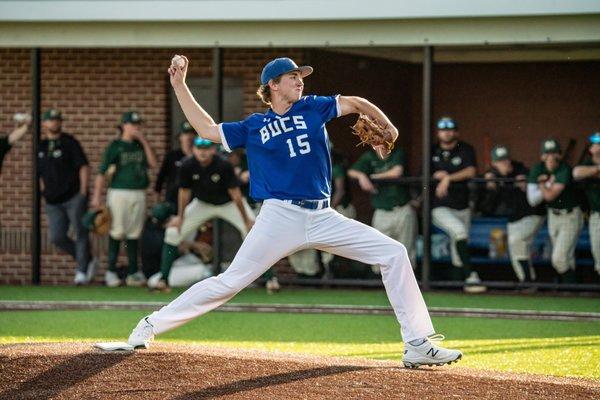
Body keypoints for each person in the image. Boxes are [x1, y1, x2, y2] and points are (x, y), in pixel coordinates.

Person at [127, 56, 462, 369]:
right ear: (273, 85)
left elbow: (356, 104)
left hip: (323, 216)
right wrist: (180, 86)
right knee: (229, 282)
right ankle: (150, 323)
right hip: (279, 217)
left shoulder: (313, 108)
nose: (300, 81)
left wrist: (389, 127)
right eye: (292, 77)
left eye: (300, 77)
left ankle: (417, 342)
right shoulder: (254, 125)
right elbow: (207, 130)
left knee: (393, 253)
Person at [148, 136, 255, 292]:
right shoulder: (187, 165)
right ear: (193, 150)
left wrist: (246, 219)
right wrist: (180, 216)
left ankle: (270, 279)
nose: (202, 153)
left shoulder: (223, 164)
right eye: (199, 149)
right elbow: (184, 193)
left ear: (212, 150)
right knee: (173, 232)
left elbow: (235, 194)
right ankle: (163, 280)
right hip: (202, 203)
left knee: (254, 231)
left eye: (206, 149)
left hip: (227, 203)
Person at [92, 111, 158, 287]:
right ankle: (111, 272)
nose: (136, 127)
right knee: (116, 230)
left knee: (134, 232)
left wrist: (143, 140)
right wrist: (97, 196)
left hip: (139, 192)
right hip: (119, 192)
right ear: (124, 125)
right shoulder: (115, 146)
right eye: (132, 124)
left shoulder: (139, 145)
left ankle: (133, 272)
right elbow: (102, 172)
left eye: (138, 124)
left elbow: (153, 163)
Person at [37, 109, 98, 285]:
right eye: (51, 120)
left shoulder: (69, 142)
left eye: (57, 120)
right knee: (57, 237)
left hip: (73, 197)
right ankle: (87, 259)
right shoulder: (40, 146)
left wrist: (83, 193)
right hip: (52, 201)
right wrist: (43, 191)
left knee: (80, 233)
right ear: (45, 124)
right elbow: (39, 173)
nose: (54, 123)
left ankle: (81, 271)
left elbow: (84, 167)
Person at [430, 117, 485, 293]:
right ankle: (471, 276)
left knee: (458, 246)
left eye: (450, 129)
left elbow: (471, 170)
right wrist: (435, 177)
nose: (447, 133)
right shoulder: (432, 151)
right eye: (443, 130)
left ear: (456, 132)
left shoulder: (465, 149)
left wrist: (448, 177)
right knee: (459, 232)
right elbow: (423, 175)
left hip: (462, 205)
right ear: (438, 133)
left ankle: (457, 288)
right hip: (440, 206)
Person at [481, 145, 545, 287]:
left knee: (517, 242)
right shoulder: (493, 176)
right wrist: (491, 187)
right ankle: (527, 281)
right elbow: (486, 206)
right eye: (500, 161)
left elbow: (535, 187)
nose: (505, 163)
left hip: (532, 215)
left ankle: (527, 281)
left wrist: (527, 182)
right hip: (514, 219)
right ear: (494, 163)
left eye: (506, 159)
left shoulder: (521, 170)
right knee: (517, 249)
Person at [349, 144, 417, 271]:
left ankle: (406, 282)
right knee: (379, 248)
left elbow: (397, 172)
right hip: (382, 209)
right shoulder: (369, 156)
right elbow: (351, 171)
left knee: (406, 248)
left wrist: (372, 177)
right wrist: (361, 176)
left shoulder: (397, 152)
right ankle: (378, 282)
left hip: (402, 208)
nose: (381, 144)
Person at [527, 139, 583, 283]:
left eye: (554, 154)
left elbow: (549, 195)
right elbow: (532, 199)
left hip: (569, 216)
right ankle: (571, 293)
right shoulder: (538, 168)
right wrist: (547, 183)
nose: (551, 157)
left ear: (560, 155)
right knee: (567, 258)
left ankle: (572, 287)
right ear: (542, 156)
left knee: (559, 258)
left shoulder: (564, 169)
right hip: (553, 215)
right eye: (547, 153)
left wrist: (542, 183)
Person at [573, 132, 600, 277]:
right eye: (596, 144)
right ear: (591, 149)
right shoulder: (588, 164)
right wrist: (597, 169)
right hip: (597, 216)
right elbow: (576, 173)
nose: (598, 146)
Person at [155, 121, 195, 210]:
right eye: (185, 134)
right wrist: (157, 201)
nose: (188, 137)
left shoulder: (199, 157)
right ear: (180, 137)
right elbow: (161, 178)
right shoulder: (172, 156)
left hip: (194, 201)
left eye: (191, 134)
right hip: (173, 200)